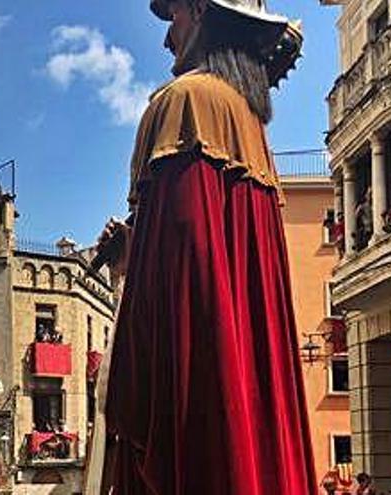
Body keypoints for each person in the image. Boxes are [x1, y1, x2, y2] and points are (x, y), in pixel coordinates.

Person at [88, 1, 312, 494]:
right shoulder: (252, 127)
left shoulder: (183, 102)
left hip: (197, 419)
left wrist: (131, 270)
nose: (169, 39)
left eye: (175, 20)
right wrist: (138, 254)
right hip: (243, 407)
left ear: (200, 13)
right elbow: (209, 268)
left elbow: (183, 296)